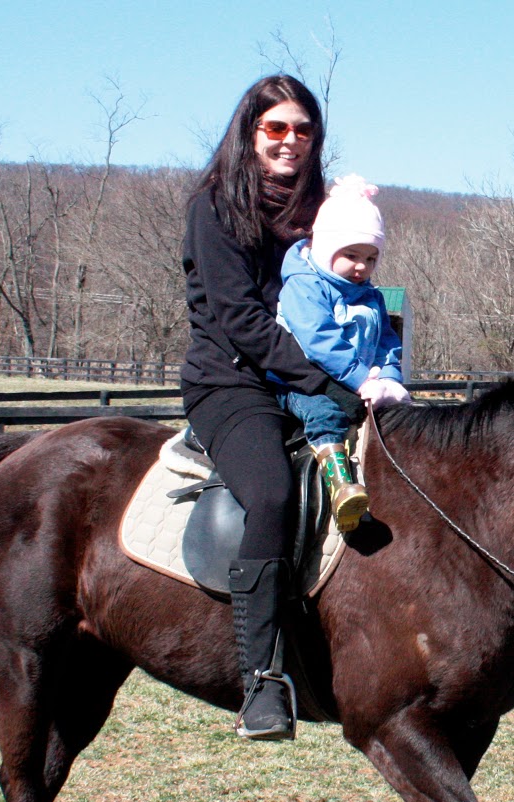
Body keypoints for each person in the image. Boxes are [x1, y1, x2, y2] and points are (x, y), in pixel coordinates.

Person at [179, 75, 382, 742]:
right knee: (268, 492)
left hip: (319, 374)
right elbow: (241, 322)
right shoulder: (213, 208)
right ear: (251, 133)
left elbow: (359, 279)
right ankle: (262, 681)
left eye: (302, 129)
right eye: (276, 129)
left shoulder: (324, 208)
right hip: (234, 383)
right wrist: (324, 382)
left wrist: (380, 361)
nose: (290, 140)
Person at [275, 173, 410, 532]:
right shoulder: (304, 287)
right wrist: (361, 378)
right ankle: (339, 486)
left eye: (370, 257)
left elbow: (385, 341)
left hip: (357, 381)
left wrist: (390, 377)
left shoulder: (371, 295)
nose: (361, 266)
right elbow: (319, 341)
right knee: (324, 413)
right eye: (350, 255)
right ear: (325, 248)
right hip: (300, 382)